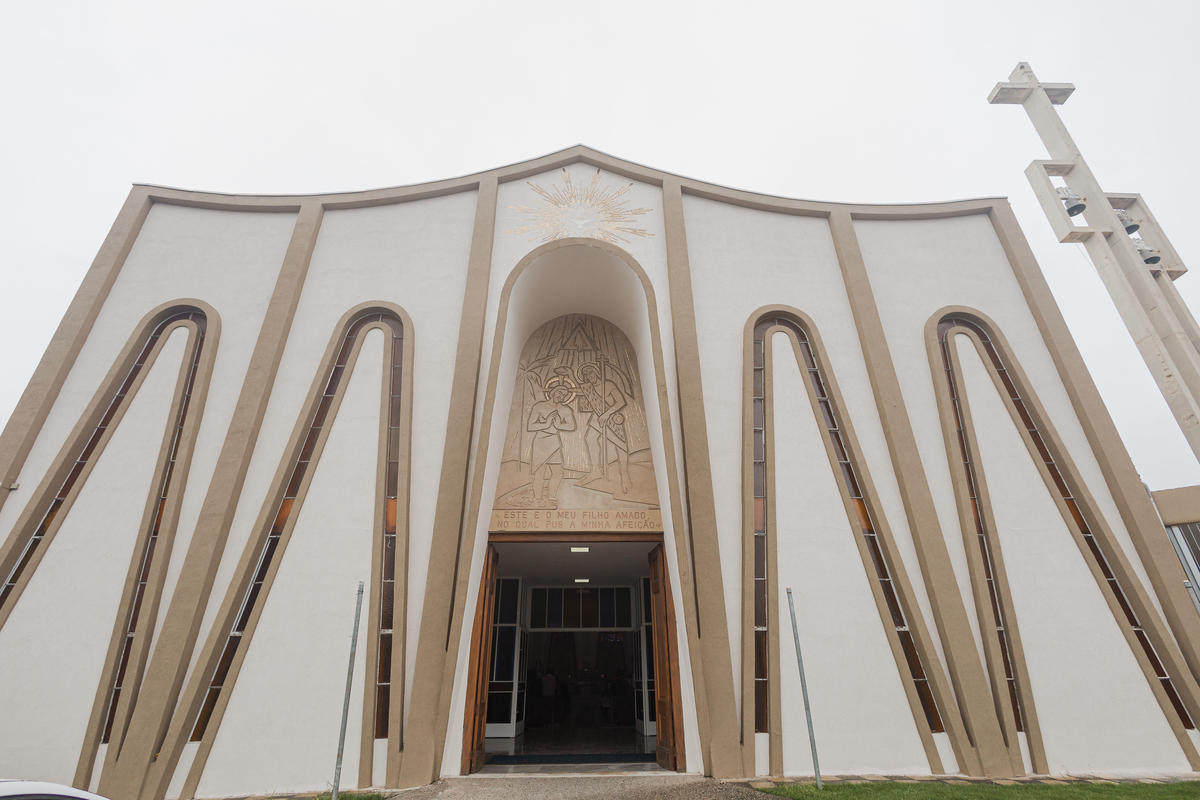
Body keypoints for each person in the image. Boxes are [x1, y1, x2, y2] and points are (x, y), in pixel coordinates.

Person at [527, 387, 576, 503]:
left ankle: (551, 496)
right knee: (540, 471)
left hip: (554, 442)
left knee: (558, 472)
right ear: (553, 392)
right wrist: (547, 423)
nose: (561, 396)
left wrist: (559, 425)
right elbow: (530, 426)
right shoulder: (539, 406)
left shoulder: (565, 409)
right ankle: (537, 498)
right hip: (541, 441)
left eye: (564, 395)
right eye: (560, 392)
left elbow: (572, 426)